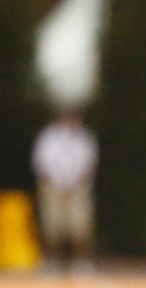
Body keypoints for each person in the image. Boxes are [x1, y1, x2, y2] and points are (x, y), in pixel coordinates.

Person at [32, 109, 98, 269]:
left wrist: (79, 179)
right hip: (53, 186)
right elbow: (40, 160)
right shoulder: (49, 135)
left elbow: (90, 160)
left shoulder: (83, 137)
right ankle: (51, 261)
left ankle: (81, 262)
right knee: (52, 225)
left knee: (79, 225)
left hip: (77, 187)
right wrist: (49, 178)